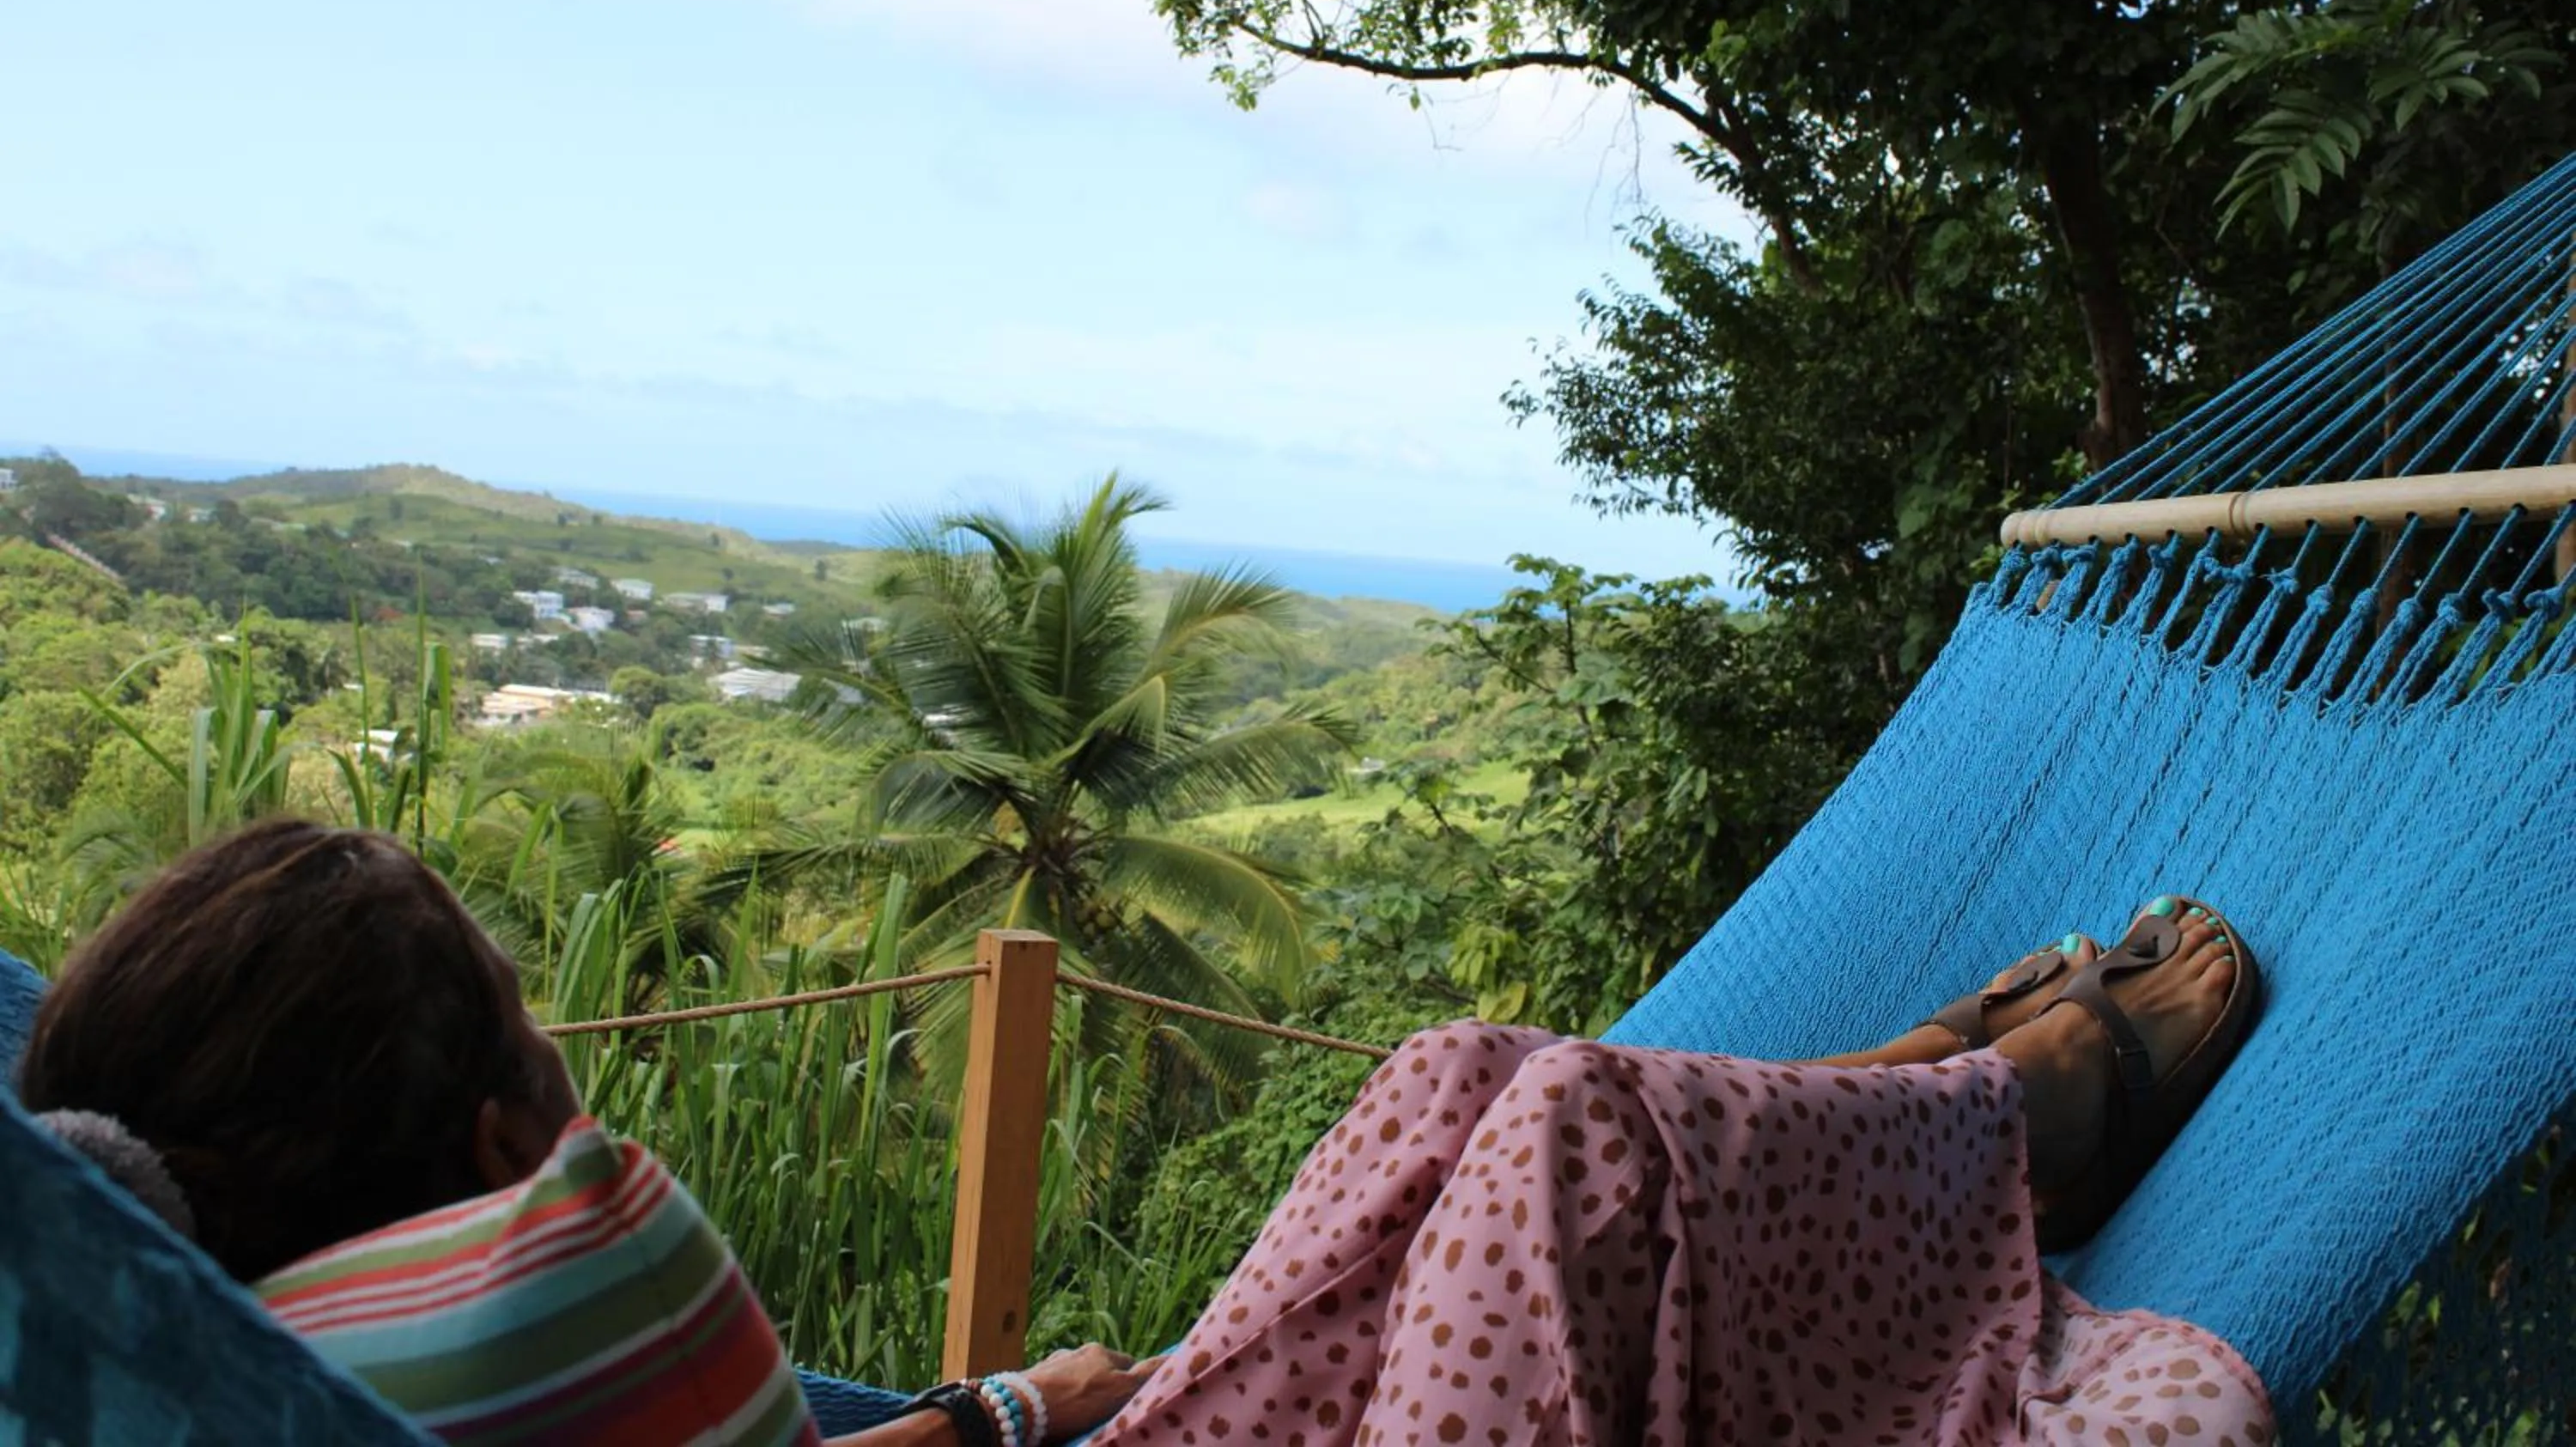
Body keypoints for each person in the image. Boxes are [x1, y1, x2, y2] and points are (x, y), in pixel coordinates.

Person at [17, 820, 2272, 1445]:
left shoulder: (271, 1375)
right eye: (531, 1018)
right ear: (497, 1124)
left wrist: (998, 1414)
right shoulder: (499, 1327)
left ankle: (1939, 1100)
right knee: (1563, 1136)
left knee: (1460, 1081)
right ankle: (2008, 1118)